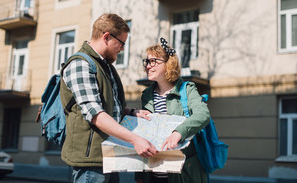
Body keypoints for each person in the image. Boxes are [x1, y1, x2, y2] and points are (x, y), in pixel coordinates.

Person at [60, 13, 158, 183]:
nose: (122, 49)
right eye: (121, 43)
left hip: (108, 155)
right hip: (91, 162)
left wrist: (131, 112)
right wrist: (135, 140)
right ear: (106, 37)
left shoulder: (105, 66)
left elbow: (108, 106)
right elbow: (96, 114)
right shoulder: (81, 65)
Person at [137, 37, 210, 183]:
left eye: (153, 61)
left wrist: (179, 132)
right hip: (153, 173)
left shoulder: (187, 89)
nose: (148, 66)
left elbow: (203, 114)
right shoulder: (147, 95)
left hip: (183, 172)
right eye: (147, 61)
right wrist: (140, 176)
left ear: (169, 64)